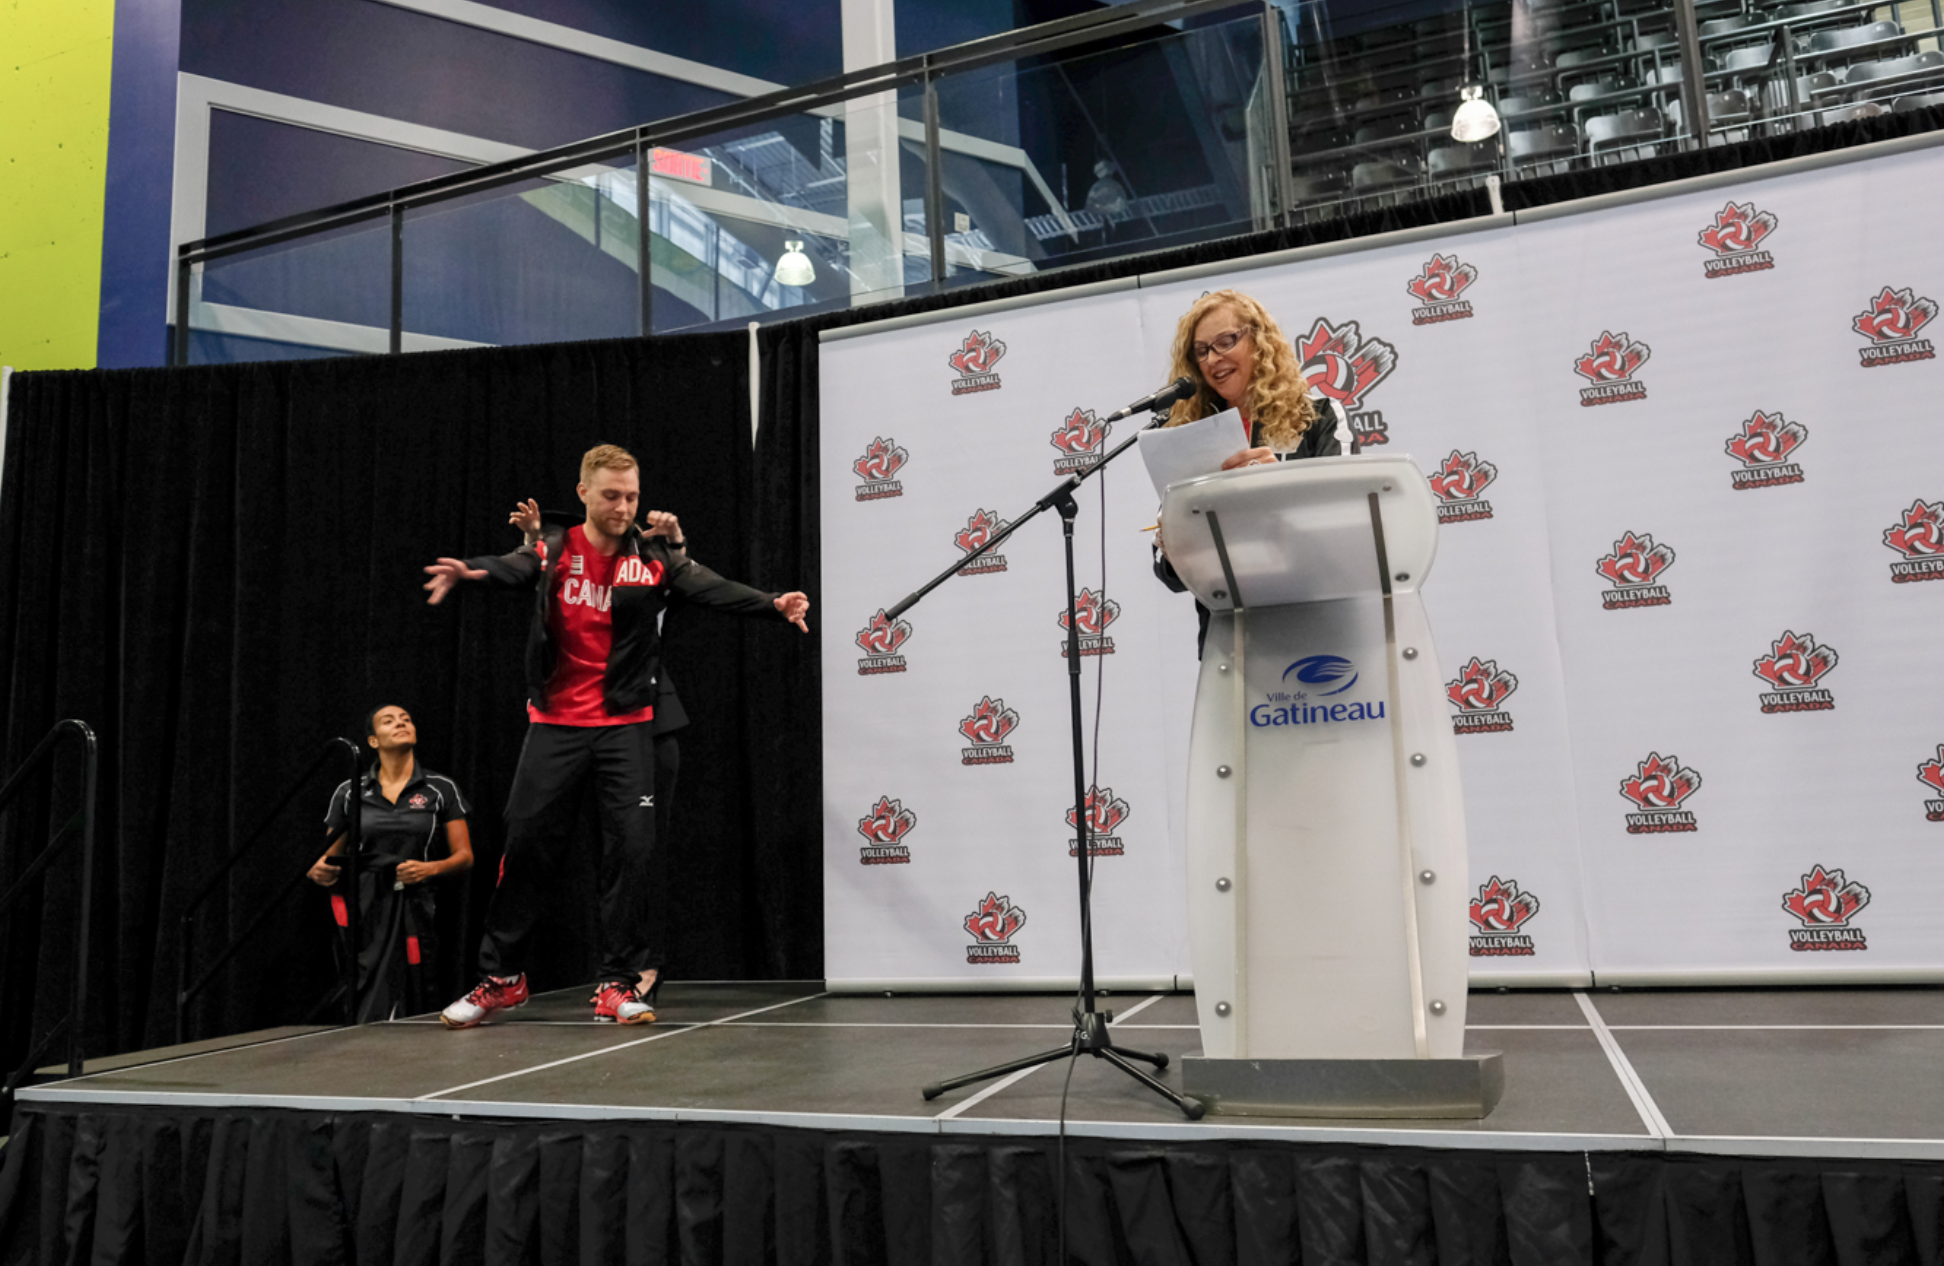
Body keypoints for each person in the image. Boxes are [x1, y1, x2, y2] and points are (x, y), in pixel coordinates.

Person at [424, 444, 810, 1029]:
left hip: (627, 728)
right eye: (611, 495)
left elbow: (707, 586)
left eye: (631, 495)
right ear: (583, 493)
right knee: (526, 849)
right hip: (555, 726)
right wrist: (470, 571)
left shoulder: (652, 557)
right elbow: (515, 566)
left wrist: (772, 605)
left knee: (630, 854)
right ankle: (502, 978)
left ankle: (618, 982)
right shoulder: (554, 547)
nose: (623, 506)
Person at [1152, 289, 1352, 655]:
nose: (1214, 359)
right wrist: (1172, 545)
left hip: (1314, 632)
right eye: (1202, 351)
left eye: (1226, 341)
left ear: (1259, 341)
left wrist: (1278, 489)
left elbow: (1345, 533)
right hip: (1228, 642)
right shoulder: (1188, 434)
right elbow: (1171, 577)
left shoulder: (1319, 416)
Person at [308, 704, 474, 1021]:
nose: (400, 723)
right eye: (389, 721)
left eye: (407, 719)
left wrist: (430, 869)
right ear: (373, 741)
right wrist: (319, 869)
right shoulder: (349, 792)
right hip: (365, 906)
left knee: (413, 981)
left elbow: (465, 857)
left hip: (416, 904)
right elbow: (327, 856)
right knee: (365, 983)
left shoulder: (441, 788)